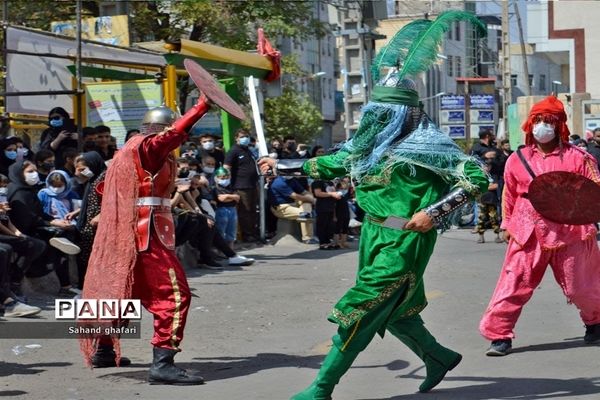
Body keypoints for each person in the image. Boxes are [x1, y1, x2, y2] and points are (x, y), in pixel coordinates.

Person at [259, 12, 488, 397]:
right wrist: (280, 164)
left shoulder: (428, 146)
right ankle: (437, 356)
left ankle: (321, 387)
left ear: (399, 114)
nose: (372, 119)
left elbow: (478, 178)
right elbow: (334, 161)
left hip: (406, 237)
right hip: (373, 234)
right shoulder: (368, 148)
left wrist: (432, 213)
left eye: (381, 114)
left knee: (361, 310)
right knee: (394, 308)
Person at [79, 97, 215, 384]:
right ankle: (162, 363)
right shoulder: (147, 148)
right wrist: (201, 107)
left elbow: (107, 188)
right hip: (145, 233)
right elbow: (175, 134)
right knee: (174, 296)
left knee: (121, 290)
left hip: (133, 230)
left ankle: (103, 349)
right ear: (161, 130)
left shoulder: (130, 152)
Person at [479, 95, 600, 356]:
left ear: (559, 126)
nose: (542, 127)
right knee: (514, 283)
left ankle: (595, 323)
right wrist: (507, 223)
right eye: (538, 121)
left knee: (582, 285)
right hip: (527, 229)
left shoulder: (580, 157)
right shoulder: (516, 159)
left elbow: (594, 191)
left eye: (548, 121)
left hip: (572, 229)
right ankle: (499, 335)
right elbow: (508, 193)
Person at [224, 129, 259, 242]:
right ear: (237, 138)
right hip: (241, 186)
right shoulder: (234, 151)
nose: (246, 138)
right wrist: (227, 186)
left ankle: (253, 232)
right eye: (243, 136)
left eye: (247, 136)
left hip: (252, 184)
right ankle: (247, 235)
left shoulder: (248, 150)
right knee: (245, 211)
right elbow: (226, 168)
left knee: (253, 210)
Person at [268, 176, 316, 244]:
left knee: (307, 206)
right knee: (305, 214)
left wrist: (310, 197)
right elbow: (295, 196)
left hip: (294, 203)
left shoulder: (292, 180)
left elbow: (304, 192)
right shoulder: (279, 183)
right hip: (281, 207)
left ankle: (309, 237)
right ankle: (307, 238)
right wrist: (312, 200)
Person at [475, 151, 502, 244]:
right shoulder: (480, 176)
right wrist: (488, 186)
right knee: (481, 219)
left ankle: (497, 236)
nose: (486, 168)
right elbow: (477, 186)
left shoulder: (494, 175)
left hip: (492, 200)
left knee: (494, 218)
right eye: (485, 166)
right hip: (482, 200)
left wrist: (485, 187)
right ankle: (481, 236)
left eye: (488, 166)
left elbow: (496, 185)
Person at [214, 167, 239, 250]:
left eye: (226, 177)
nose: (225, 179)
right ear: (217, 178)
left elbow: (238, 197)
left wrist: (227, 196)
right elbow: (221, 199)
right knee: (221, 231)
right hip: (221, 209)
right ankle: (221, 251)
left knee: (231, 231)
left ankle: (231, 250)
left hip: (232, 209)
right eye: (222, 177)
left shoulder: (231, 187)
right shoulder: (216, 188)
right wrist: (232, 197)